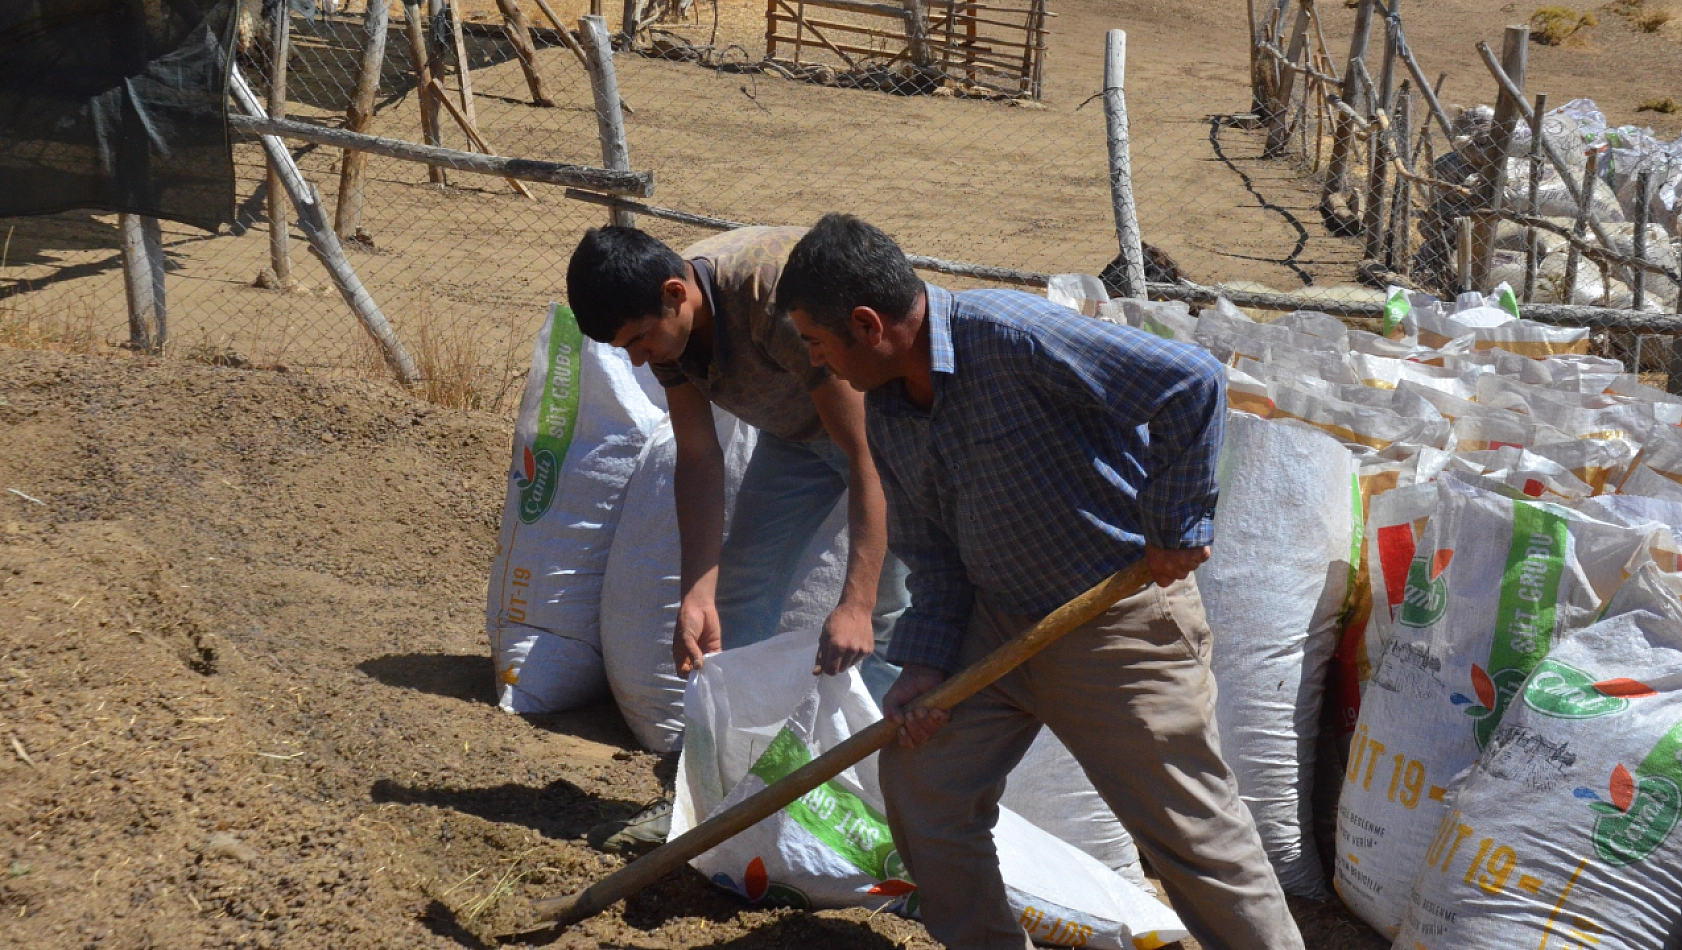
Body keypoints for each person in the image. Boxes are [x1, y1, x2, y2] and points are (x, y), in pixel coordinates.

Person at [775, 213, 1305, 950]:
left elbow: (1191, 381)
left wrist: (1174, 523)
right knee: (924, 784)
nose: (818, 365)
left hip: (1116, 625)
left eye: (816, 342)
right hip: (996, 627)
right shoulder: (890, 411)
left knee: (1193, 839)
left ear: (866, 325)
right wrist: (925, 662)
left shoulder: (1014, 335)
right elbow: (933, 553)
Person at [566, 225, 910, 853]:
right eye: (627, 349)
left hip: (891, 440)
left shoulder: (770, 299)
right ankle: (720, 791)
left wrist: (855, 604)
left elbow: (867, 458)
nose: (639, 359)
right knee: (741, 591)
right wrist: (698, 593)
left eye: (639, 340)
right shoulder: (671, 332)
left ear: (677, 292)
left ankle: (884, 807)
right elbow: (697, 457)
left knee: (887, 622)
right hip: (799, 439)